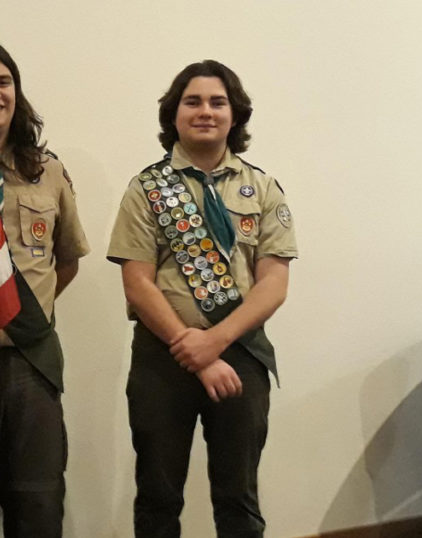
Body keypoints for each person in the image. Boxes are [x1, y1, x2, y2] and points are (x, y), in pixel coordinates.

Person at [106, 60, 298, 537]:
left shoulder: (264, 188)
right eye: (192, 101)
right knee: (158, 494)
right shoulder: (146, 189)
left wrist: (215, 342)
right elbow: (138, 283)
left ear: (236, 115)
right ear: (174, 114)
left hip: (241, 355)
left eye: (218, 102)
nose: (205, 111)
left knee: (239, 498)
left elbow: (273, 282)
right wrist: (191, 347)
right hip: (161, 358)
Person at [0, 39, 90, 537]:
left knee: (36, 500)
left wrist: (20, 310)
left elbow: (69, 260)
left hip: (28, 360)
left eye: (3, 82)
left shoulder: (47, 171)